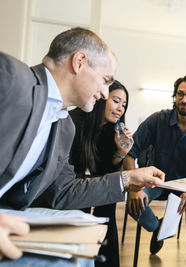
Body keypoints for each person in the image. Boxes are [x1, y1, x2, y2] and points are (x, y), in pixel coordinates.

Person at [0, 27, 164, 264]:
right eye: (105, 81)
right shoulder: (13, 78)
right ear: (79, 62)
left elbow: (62, 192)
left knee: (84, 249)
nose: (106, 94)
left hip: (12, 217)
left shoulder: (64, 128)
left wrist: (127, 179)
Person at [126, 75, 186, 267]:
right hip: (156, 181)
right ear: (175, 96)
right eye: (180, 94)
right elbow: (130, 153)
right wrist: (135, 188)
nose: (184, 99)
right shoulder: (157, 120)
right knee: (132, 203)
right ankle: (157, 228)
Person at [69, 80, 133, 267]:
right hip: (71, 188)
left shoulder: (111, 131)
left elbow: (107, 173)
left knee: (108, 201)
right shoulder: (74, 121)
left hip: (92, 185)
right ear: (102, 98)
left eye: (124, 105)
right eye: (116, 101)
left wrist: (121, 152)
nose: (120, 108)